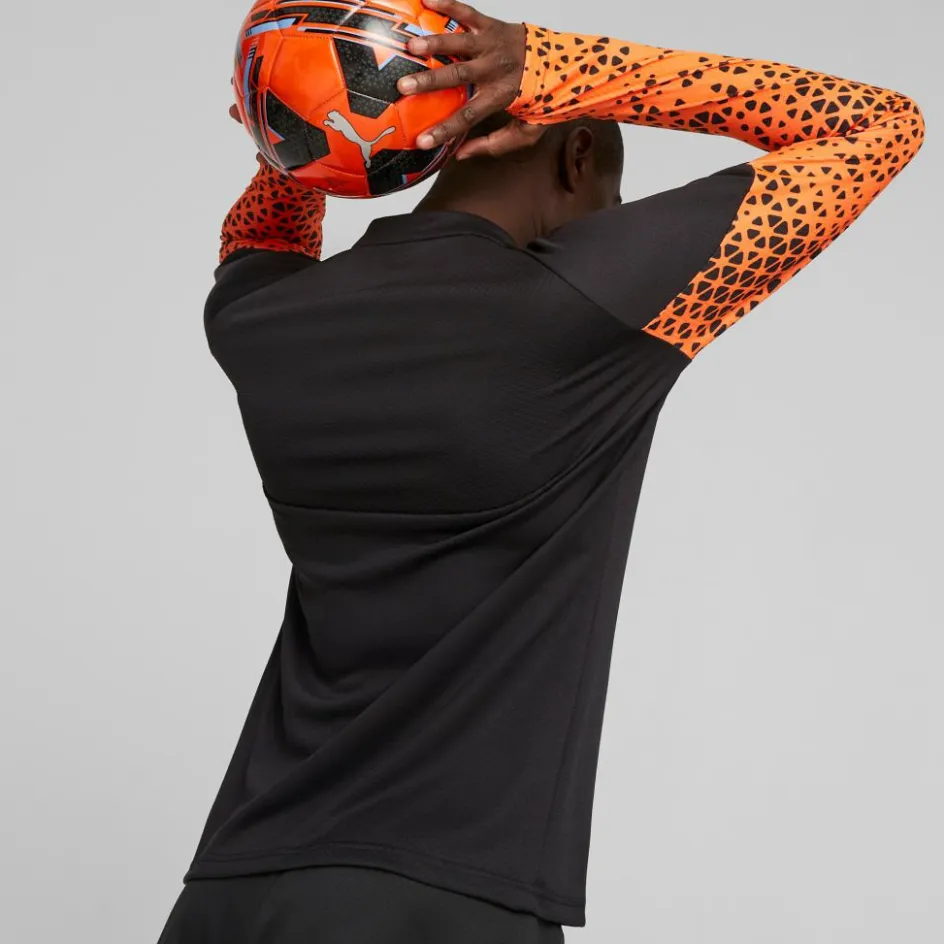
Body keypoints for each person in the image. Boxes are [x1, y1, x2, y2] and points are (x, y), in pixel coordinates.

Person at [157, 0, 924, 941]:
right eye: (611, 191)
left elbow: (263, 235)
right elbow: (881, 126)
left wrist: (296, 124)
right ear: (576, 155)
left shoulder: (259, 320)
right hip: (441, 902)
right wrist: (553, 65)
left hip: (229, 891)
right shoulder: (586, 314)